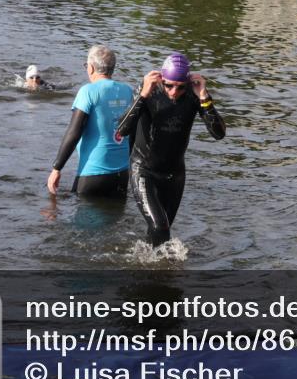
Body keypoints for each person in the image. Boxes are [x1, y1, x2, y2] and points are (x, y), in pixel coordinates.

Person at [117, 53, 225, 246]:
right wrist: (142, 95)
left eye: (180, 87)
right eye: (169, 85)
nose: (174, 92)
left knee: (160, 233)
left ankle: (149, 270)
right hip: (144, 170)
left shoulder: (193, 96)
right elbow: (122, 130)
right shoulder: (148, 92)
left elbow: (218, 134)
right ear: (162, 80)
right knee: (161, 227)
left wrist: (204, 97)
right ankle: (161, 272)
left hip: (174, 175)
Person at [48, 45, 132, 198]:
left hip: (93, 174)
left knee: (82, 219)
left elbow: (74, 132)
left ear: (91, 68)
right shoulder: (127, 91)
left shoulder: (88, 91)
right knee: (115, 219)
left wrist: (57, 168)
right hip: (122, 174)